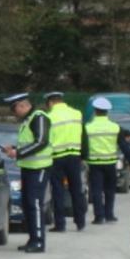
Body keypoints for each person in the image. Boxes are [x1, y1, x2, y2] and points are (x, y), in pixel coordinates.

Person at [0, 93, 52, 253]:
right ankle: (32, 238)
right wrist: (15, 150)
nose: (14, 113)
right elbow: (28, 144)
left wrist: (18, 153)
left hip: (39, 167)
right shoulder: (27, 120)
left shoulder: (39, 117)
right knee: (27, 203)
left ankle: (38, 241)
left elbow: (41, 141)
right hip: (28, 167)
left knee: (35, 203)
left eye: (14, 109)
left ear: (23, 105)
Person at [45, 92, 87, 231]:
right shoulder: (77, 114)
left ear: (50, 103)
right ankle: (80, 222)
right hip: (74, 156)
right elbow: (83, 135)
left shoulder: (49, 117)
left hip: (56, 157)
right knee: (76, 189)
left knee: (58, 191)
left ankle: (60, 224)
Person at [84, 97, 120, 224]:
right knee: (110, 190)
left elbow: (84, 146)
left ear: (95, 111)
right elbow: (123, 144)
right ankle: (109, 215)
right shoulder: (115, 127)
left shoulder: (88, 127)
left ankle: (99, 217)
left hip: (95, 163)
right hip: (111, 163)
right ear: (107, 112)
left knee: (97, 191)